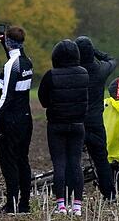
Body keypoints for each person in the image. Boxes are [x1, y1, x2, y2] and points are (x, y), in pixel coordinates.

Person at [38, 39, 89, 216]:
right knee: (76, 164)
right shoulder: (84, 73)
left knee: (59, 164)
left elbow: (43, 101)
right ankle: (77, 206)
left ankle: (61, 204)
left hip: (56, 125)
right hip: (77, 125)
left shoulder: (50, 75)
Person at [0, 26, 34, 214]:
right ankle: (24, 204)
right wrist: (4, 43)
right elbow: (15, 57)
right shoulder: (27, 61)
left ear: (8, 42)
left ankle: (11, 204)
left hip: (10, 121)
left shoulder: (9, 65)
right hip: (26, 118)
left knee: (9, 163)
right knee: (23, 160)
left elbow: (6, 96)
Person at [74, 36, 117, 201]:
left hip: (76, 121)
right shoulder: (100, 70)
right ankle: (110, 195)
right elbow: (112, 59)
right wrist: (96, 52)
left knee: (73, 160)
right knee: (101, 160)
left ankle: (73, 196)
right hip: (95, 123)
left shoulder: (74, 71)